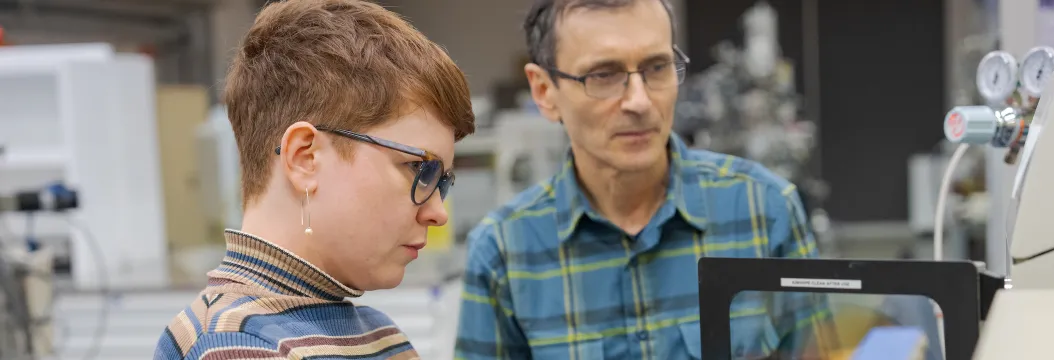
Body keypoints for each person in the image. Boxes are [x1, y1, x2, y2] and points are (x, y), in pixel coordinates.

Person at [454, 0, 831, 359]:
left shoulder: (764, 211)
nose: (639, 101)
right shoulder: (504, 252)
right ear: (544, 91)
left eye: (656, 68)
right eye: (604, 75)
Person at [153, 0, 474, 359]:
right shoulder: (234, 343)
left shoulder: (379, 334)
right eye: (420, 170)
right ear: (305, 158)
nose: (438, 213)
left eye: (442, 181)